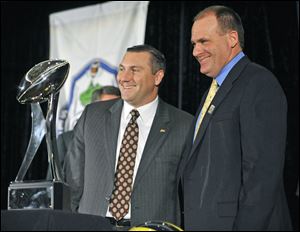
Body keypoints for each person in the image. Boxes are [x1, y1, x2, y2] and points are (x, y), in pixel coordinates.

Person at [178, 5, 292, 231]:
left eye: (204, 41)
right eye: (194, 44)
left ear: (231, 38)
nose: (195, 51)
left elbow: (261, 176)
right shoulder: (213, 91)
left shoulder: (258, 83)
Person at [64, 45, 193, 229]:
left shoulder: (184, 125)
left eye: (135, 70)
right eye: (122, 69)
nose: (124, 78)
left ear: (158, 77)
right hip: (92, 225)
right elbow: (73, 182)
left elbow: (191, 193)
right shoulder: (92, 116)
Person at [47, 86, 121, 181]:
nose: (113, 112)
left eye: (117, 107)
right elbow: (51, 183)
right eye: (107, 106)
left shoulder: (126, 140)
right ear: (94, 108)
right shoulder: (67, 140)